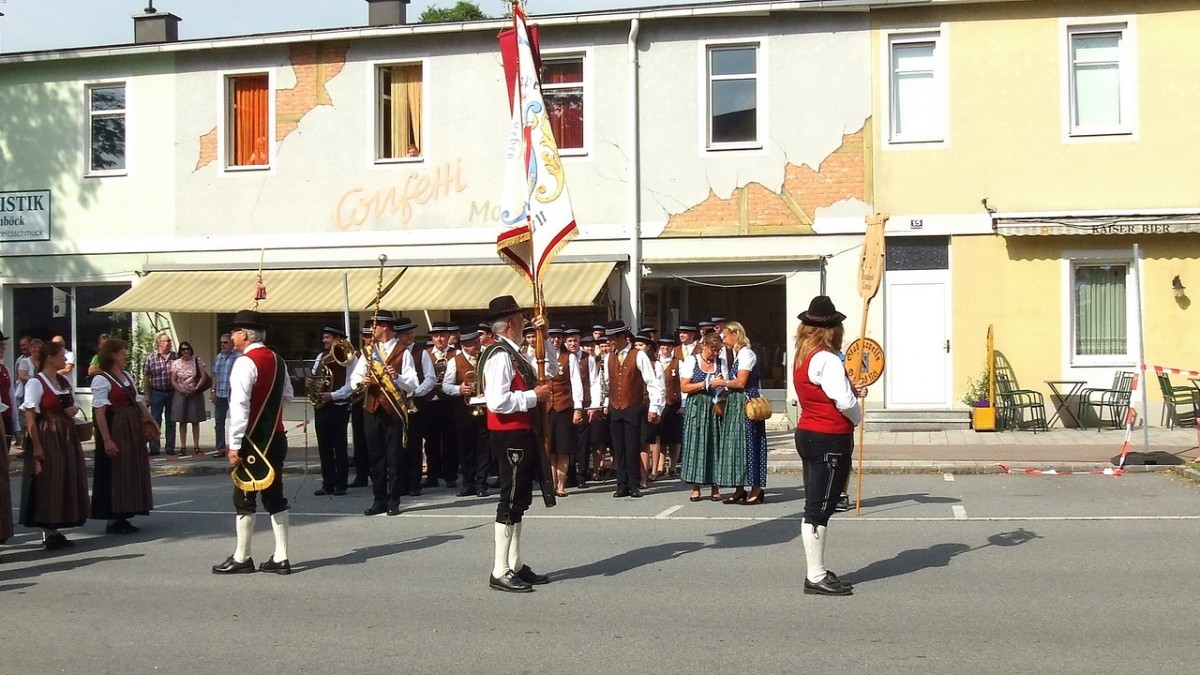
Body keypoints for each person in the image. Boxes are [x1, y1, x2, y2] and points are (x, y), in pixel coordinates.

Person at [212, 310, 295, 575]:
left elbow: (239, 406)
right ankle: (281, 556)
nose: (231, 336)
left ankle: (242, 556)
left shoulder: (244, 363)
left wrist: (234, 443)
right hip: (276, 436)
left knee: (244, 497)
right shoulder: (279, 361)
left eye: (234, 332)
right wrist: (271, 418)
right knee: (275, 495)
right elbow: (288, 396)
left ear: (244, 334)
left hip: (252, 442)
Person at [794, 295, 865, 596]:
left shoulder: (803, 356)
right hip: (829, 436)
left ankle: (816, 570)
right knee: (819, 508)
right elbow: (844, 402)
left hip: (809, 432)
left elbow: (829, 391)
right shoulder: (827, 359)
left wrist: (850, 388)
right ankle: (815, 574)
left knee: (816, 504)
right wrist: (857, 415)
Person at [480, 295, 552, 593]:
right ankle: (499, 569)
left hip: (521, 432)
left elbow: (550, 370)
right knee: (510, 500)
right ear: (511, 323)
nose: (526, 324)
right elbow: (497, 402)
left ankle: (514, 562)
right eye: (522, 320)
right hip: (510, 434)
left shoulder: (514, 352)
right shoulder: (500, 355)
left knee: (519, 499)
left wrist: (544, 337)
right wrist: (534, 397)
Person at [19, 341, 89, 550]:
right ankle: (48, 531)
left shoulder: (62, 381)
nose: (65, 359)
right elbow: (30, 416)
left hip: (65, 434)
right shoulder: (36, 383)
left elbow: (73, 403)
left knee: (64, 479)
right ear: (49, 358)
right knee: (49, 481)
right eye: (61, 355)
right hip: (47, 434)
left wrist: (73, 410)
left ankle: (56, 529)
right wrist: (37, 446)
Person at [348, 311, 419, 516]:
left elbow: (413, 383)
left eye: (374, 326)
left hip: (393, 410)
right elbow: (354, 379)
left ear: (384, 328)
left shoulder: (403, 352)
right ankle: (379, 499)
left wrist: (397, 377)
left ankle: (394, 500)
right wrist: (362, 381)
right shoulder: (368, 352)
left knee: (394, 457)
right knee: (376, 457)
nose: (372, 330)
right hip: (371, 410)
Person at [90, 338, 156, 534]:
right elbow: (99, 413)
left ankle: (124, 515)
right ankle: (113, 518)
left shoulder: (126, 375)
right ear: (112, 355)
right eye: (122, 352)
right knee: (116, 471)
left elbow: (137, 400)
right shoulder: (101, 379)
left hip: (131, 428)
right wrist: (107, 439)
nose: (125, 355)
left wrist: (150, 419)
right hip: (116, 427)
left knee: (130, 470)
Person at [597, 321, 664, 499]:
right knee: (619, 448)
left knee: (632, 446)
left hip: (633, 406)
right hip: (615, 407)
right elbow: (606, 384)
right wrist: (605, 403)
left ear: (621, 337)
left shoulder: (638, 355)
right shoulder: (608, 357)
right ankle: (621, 484)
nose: (609, 341)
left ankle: (634, 484)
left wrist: (654, 407)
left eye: (612, 338)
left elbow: (652, 382)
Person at [713, 321, 768, 505]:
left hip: (746, 403)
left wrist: (722, 383)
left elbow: (741, 382)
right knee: (737, 446)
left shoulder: (746, 354)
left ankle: (756, 488)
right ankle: (739, 488)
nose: (724, 341)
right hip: (737, 403)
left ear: (735, 335)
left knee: (750, 444)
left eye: (726, 336)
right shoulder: (738, 354)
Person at [679, 332, 728, 502]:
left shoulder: (721, 363)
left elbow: (725, 387)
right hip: (697, 406)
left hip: (714, 406)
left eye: (718, 350)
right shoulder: (692, 361)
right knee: (696, 445)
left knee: (715, 444)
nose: (715, 353)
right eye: (713, 349)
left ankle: (715, 486)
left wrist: (721, 385)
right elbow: (684, 387)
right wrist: (704, 384)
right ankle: (696, 487)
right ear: (704, 346)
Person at [442, 327, 489, 497]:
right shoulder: (455, 361)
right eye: (473, 344)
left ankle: (482, 483)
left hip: (485, 406)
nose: (477, 346)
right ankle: (468, 482)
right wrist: (459, 389)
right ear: (464, 345)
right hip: (464, 409)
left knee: (484, 447)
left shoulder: (486, 357)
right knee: (465, 446)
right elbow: (446, 386)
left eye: (477, 342)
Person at [412, 322, 458, 489]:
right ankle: (432, 475)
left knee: (450, 440)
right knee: (430, 441)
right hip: (430, 403)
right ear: (432, 338)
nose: (439, 339)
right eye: (436, 336)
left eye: (442, 336)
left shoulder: (456, 354)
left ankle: (450, 476)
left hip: (449, 402)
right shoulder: (426, 354)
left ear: (448, 337)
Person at [310, 326, 354, 496]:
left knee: (339, 446)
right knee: (324, 446)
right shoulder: (321, 357)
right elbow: (316, 377)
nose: (324, 341)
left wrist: (333, 395)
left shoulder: (350, 357)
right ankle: (327, 483)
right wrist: (310, 382)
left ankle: (341, 484)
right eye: (324, 337)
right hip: (322, 406)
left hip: (339, 406)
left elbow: (351, 384)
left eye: (327, 337)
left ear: (337, 338)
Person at [545, 325, 583, 498]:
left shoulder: (570, 357)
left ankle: (561, 485)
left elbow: (576, 382)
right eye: (552, 337)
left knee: (563, 448)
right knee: (550, 448)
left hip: (564, 407)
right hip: (547, 408)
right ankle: (551, 483)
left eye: (558, 337)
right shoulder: (542, 357)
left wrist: (578, 408)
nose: (555, 340)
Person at [169, 341, 208, 456]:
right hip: (181, 394)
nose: (185, 351)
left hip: (194, 393)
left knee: (195, 420)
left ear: (191, 350)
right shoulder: (176, 363)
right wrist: (181, 390)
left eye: (187, 349)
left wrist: (196, 388)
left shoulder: (197, 360)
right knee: (182, 421)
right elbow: (173, 380)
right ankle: (183, 447)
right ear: (180, 351)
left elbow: (203, 376)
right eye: (183, 349)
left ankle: (196, 446)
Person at [348, 322, 374, 488]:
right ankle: (361, 474)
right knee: (359, 440)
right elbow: (351, 379)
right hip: (359, 402)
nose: (368, 339)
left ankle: (378, 473)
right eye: (366, 337)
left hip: (375, 400)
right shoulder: (358, 355)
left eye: (370, 336)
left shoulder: (380, 353)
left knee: (375, 440)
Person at [143, 333, 177, 455]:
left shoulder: (175, 356)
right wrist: (147, 394)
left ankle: (170, 447)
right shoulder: (151, 358)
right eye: (167, 340)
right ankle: (154, 447)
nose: (169, 343)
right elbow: (146, 377)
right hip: (157, 392)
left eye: (170, 340)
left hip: (172, 392)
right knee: (155, 420)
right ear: (159, 343)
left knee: (171, 420)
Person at [656, 337, 683, 478]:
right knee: (661, 436)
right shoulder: (656, 362)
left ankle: (672, 466)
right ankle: (660, 465)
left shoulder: (679, 363)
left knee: (675, 437)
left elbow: (683, 384)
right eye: (663, 346)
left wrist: (683, 404)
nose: (665, 349)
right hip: (660, 404)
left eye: (668, 346)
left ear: (672, 348)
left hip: (675, 403)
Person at [210, 332, 239, 458]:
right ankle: (220, 448)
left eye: (225, 342)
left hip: (233, 395)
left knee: (236, 422)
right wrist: (213, 391)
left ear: (232, 343)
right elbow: (215, 375)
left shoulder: (237, 357)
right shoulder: (218, 357)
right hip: (220, 394)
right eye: (221, 343)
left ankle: (236, 448)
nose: (223, 345)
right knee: (219, 423)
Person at [0, 331, 14, 448]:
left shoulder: (5, 369)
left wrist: (16, 427)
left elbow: (11, 396)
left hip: (6, 417)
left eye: (3, 345)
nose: (3, 349)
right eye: (0, 345)